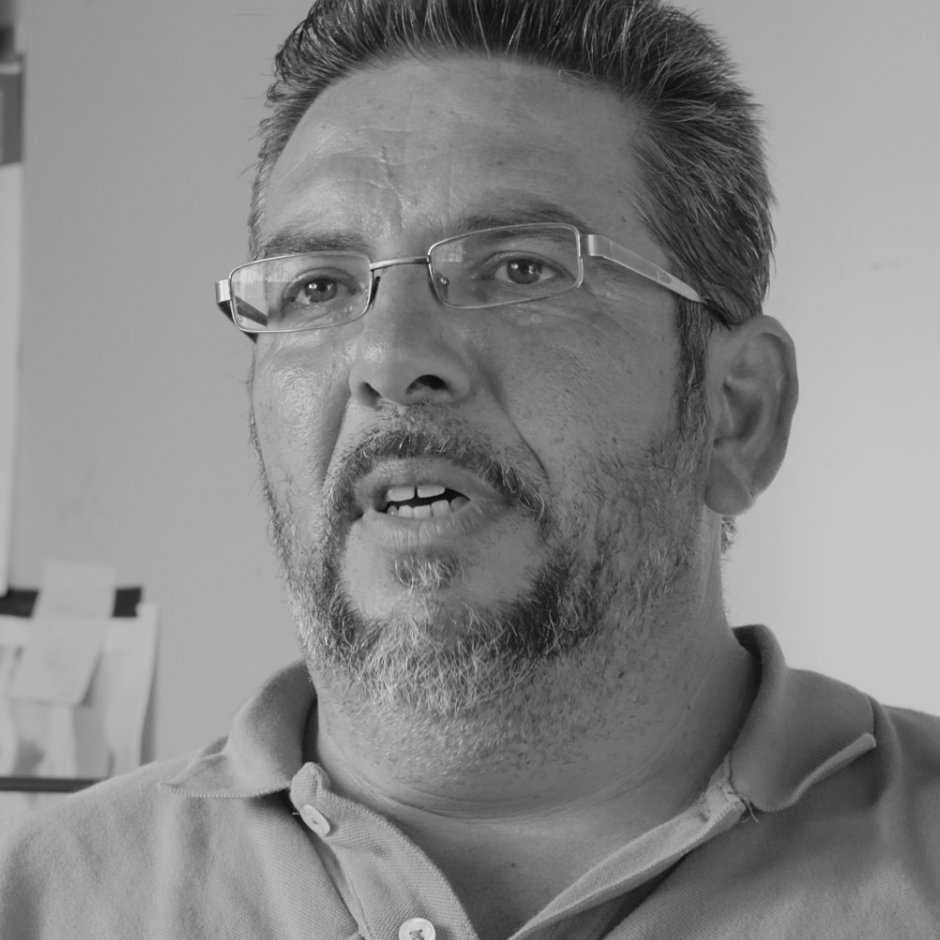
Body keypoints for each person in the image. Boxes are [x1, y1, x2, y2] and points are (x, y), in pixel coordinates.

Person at [2, 0, 939, 936]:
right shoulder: (38, 900)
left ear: (738, 414)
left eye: (523, 269)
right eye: (319, 286)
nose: (387, 354)